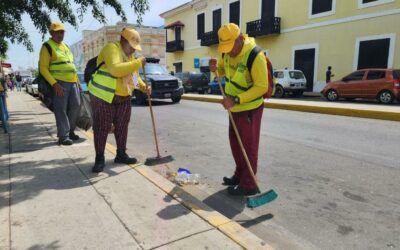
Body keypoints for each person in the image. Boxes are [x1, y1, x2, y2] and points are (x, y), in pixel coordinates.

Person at [209, 23, 268, 196]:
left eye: (231, 47)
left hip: (249, 108)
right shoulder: (227, 53)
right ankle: (240, 175)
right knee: (236, 144)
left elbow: (262, 87)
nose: (228, 52)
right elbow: (222, 69)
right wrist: (215, 68)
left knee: (248, 146)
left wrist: (236, 99)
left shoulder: (255, 55)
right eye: (225, 48)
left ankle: (249, 184)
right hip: (233, 108)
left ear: (241, 39)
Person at [88, 27, 150, 173]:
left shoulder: (131, 58)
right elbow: (116, 69)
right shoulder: (112, 48)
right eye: (132, 46)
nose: (134, 50)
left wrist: (143, 87)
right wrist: (138, 63)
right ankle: (99, 158)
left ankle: (121, 154)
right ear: (123, 40)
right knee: (102, 127)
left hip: (123, 97)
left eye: (136, 48)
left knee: (122, 125)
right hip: (103, 95)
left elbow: (134, 78)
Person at [39, 22, 81, 146]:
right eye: (57, 32)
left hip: (73, 82)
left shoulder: (66, 46)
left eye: (62, 32)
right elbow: (43, 68)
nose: (60, 34)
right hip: (59, 83)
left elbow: (71, 65)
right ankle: (64, 136)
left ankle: (71, 130)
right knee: (61, 109)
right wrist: (55, 84)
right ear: (51, 33)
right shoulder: (47, 46)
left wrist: (77, 82)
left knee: (76, 106)